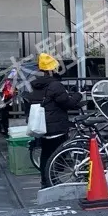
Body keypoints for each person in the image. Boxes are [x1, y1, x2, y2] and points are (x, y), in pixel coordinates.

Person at [22, 53, 83, 189]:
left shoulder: (34, 85)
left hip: (41, 126)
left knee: (46, 154)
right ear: (50, 70)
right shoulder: (55, 85)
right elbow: (67, 103)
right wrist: (78, 96)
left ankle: (45, 181)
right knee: (57, 155)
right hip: (56, 127)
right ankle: (53, 180)